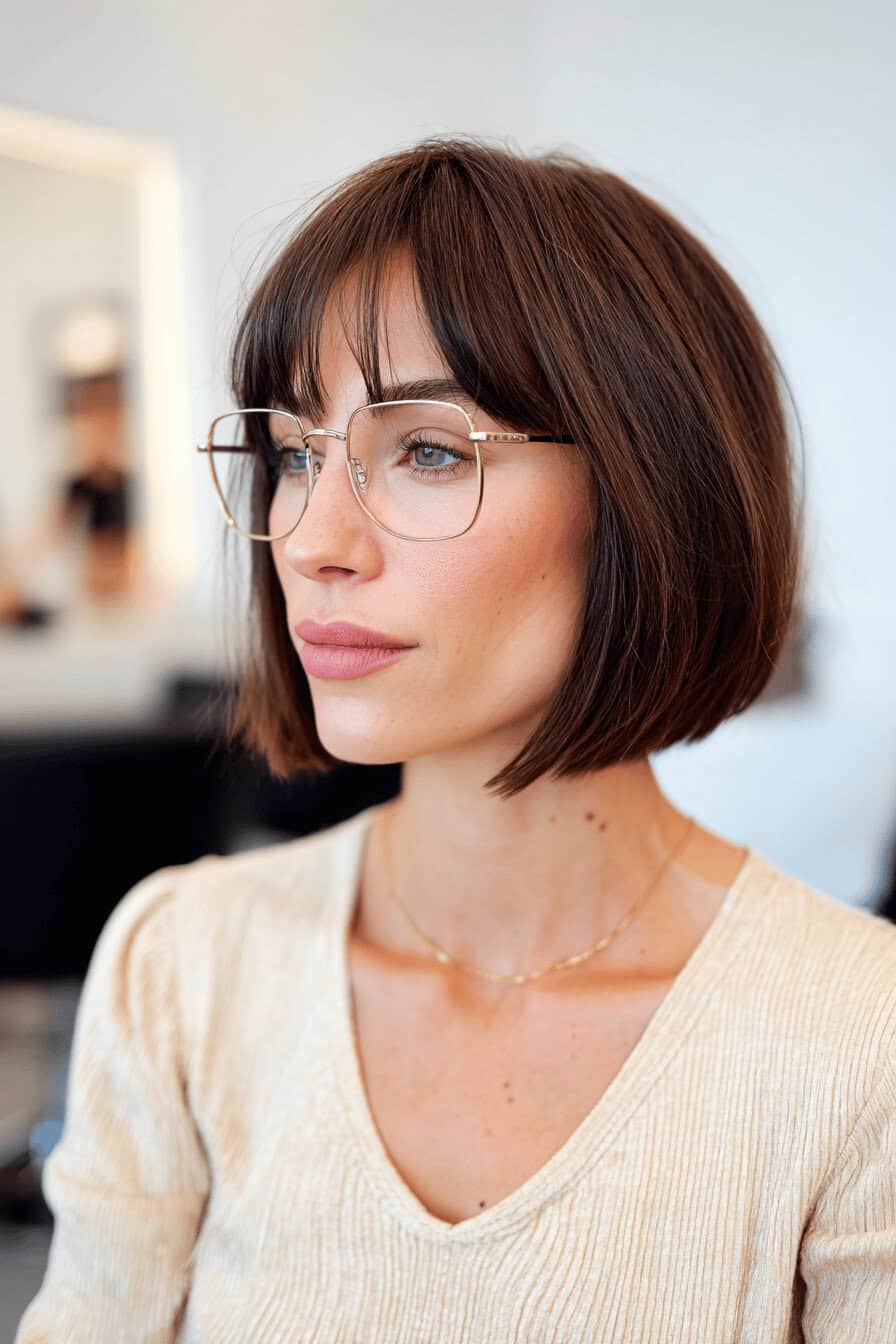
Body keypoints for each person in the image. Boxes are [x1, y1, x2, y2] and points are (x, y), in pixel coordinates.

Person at [16, 135, 895, 1342]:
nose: (311, 539)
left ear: (650, 492)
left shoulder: (856, 1041)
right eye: (290, 456)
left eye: (425, 451)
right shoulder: (184, 969)